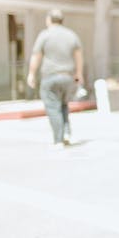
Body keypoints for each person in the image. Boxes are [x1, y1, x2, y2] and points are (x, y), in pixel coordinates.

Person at [27, 9, 85, 147]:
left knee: (53, 107)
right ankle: (66, 132)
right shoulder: (71, 35)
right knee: (63, 105)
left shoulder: (45, 35)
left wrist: (31, 73)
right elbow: (78, 56)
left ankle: (58, 139)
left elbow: (37, 55)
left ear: (49, 19)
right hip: (67, 77)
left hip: (50, 77)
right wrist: (79, 73)